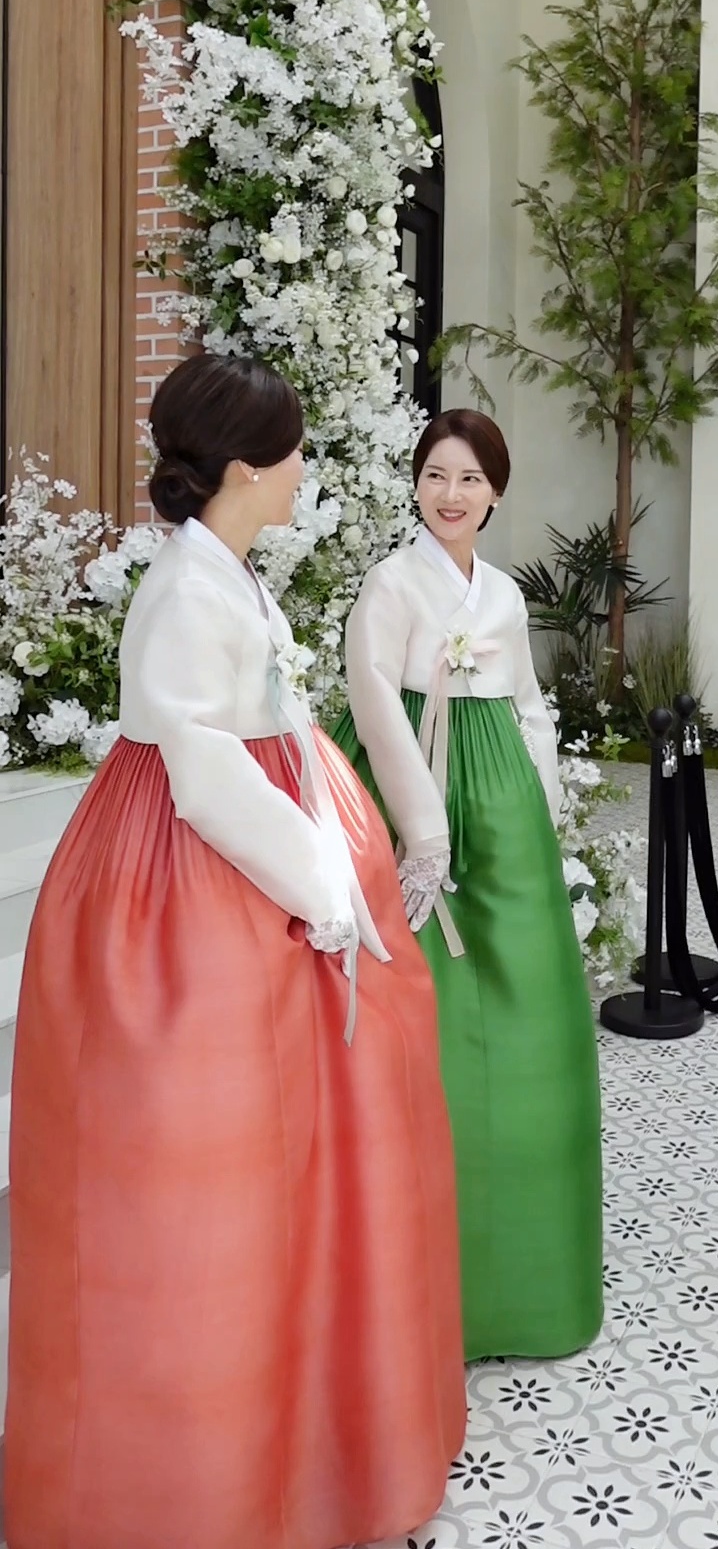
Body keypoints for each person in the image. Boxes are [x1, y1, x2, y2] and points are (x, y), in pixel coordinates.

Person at [6, 353, 466, 1549]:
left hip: (258, 849)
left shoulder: (226, 571)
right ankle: (193, 1478)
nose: (305, 469)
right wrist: (322, 884)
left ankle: (305, 1435)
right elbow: (205, 776)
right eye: (294, 450)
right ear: (250, 468)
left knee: (303, 1157)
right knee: (208, 1170)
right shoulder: (187, 592)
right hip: (200, 880)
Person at [330, 408, 603, 1360]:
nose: (451, 494)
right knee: (426, 1018)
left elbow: (527, 702)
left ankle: (528, 1283)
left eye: (471, 479)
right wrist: (423, 830)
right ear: (416, 484)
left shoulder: (505, 595)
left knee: (532, 1010)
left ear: (495, 493)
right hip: (416, 785)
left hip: (502, 806)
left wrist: (540, 800)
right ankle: (425, 1293)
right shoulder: (390, 583)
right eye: (436, 475)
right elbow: (373, 701)